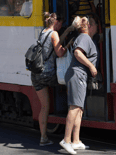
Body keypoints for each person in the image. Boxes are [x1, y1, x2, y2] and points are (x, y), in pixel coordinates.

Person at [31, 13, 75, 146]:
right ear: (55, 23)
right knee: (70, 84)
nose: (60, 26)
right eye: (60, 23)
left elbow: (53, 43)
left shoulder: (43, 32)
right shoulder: (53, 34)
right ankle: (71, 114)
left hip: (36, 74)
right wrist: (69, 46)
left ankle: (43, 138)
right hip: (48, 74)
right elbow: (60, 52)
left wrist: (67, 32)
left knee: (44, 106)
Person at [60, 16, 98, 154]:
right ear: (88, 26)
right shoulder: (84, 37)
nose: (96, 26)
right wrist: (91, 67)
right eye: (94, 23)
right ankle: (66, 140)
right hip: (78, 74)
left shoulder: (84, 38)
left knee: (79, 109)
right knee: (74, 107)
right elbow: (77, 53)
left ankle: (75, 141)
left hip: (79, 75)